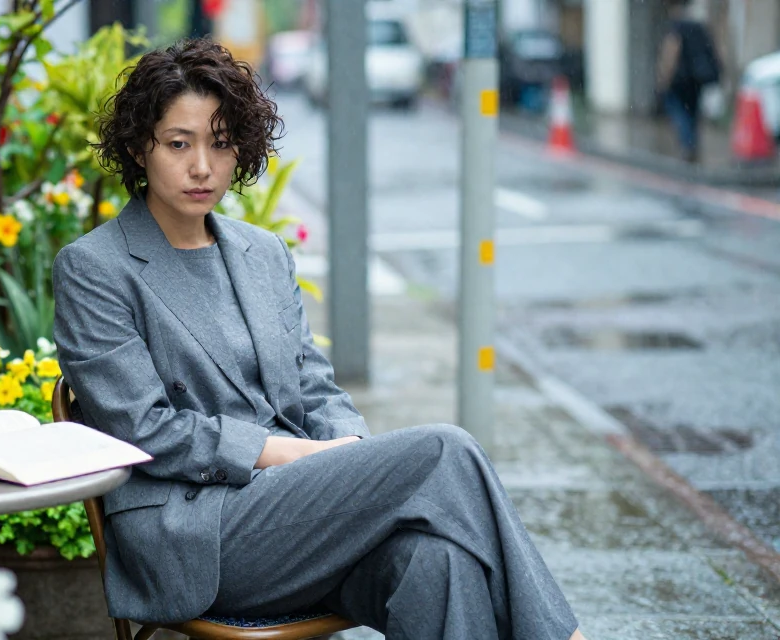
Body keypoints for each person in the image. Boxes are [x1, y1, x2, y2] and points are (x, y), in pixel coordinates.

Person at [51, 38, 584, 640]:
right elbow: (143, 429)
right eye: (179, 144)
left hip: (301, 517)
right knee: (445, 451)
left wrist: (346, 449)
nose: (202, 166)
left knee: (440, 562)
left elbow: (316, 386)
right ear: (137, 147)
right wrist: (298, 456)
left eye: (221, 143)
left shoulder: (262, 253)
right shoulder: (95, 267)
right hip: (200, 531)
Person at [657, 0, 722, 164]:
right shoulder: (699, 26)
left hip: (680, 79)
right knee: (693, 113)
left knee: (678, 111)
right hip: (697, 78)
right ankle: (693, 145)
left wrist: (664, 79)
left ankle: (688, 146)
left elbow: (671, 51)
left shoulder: (676, 26)